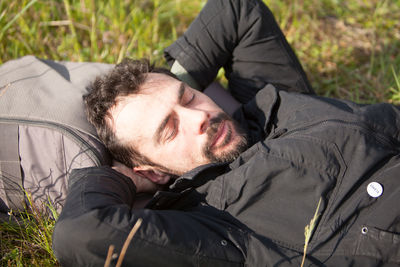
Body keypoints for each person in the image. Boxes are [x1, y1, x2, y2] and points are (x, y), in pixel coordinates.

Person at [52, 0, 400, 266]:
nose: (198, 117)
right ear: (153, 171)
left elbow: (235, 9)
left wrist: (164, 84)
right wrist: (119, 176)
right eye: (170, 129)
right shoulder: (211, 222)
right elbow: (81, 232)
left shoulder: (267, 104)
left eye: (187, 97)